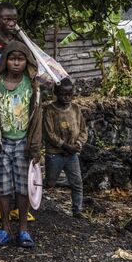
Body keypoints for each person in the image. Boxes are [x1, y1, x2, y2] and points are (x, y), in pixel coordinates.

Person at [0, 41, 42, 247]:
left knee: (23, 189)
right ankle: (5, 228)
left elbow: (37, 119)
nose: (16, 63)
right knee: (3, 188)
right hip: (1, 143)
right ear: (5, 61)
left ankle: (23, 229)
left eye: (20, 59)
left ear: (27, 62)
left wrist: (35, 147)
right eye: (12, 59)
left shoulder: (32, 85)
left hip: (23, 143)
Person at [43, 78, 87, 218]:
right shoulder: (49, 110)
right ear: (55, 93)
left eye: (70, 94)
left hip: (72, 154)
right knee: (50, 182)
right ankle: (31, 196)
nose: (67, 97)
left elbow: (83, 130)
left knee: (77, 182)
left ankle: (77, 210)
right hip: (55, 153)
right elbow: (49, 133)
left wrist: (78, 144)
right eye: (63, 94)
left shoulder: (75, 109)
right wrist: (65, 145)